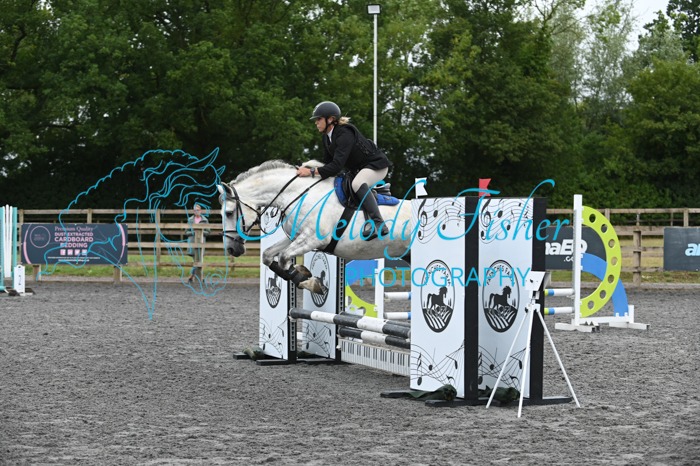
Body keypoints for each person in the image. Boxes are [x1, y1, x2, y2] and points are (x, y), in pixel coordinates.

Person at [296, 101, 391, 241]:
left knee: (357, 184)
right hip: (359, 169)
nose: (316, 122)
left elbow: (336, 166)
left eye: (319, 119)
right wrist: (310, 170)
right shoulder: (327, 137)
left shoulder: (345, 133)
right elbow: (328, 165)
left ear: (330, 119)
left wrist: (310, 172)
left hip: (376, 166)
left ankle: (379, 223)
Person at [186, 203, 210, 283]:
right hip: (192, 242)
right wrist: (194, 232)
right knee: (196, 260)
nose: (197, 211)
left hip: (201, 242)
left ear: (201, 211)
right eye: (195, 210)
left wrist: (201, 232)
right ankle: (199, 277)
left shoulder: (205, 220)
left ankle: (193, 277)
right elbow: (186, 232)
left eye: (198, 210)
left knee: (199, 260)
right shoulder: (190, 220)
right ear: (193, 211)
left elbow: (208, 231)